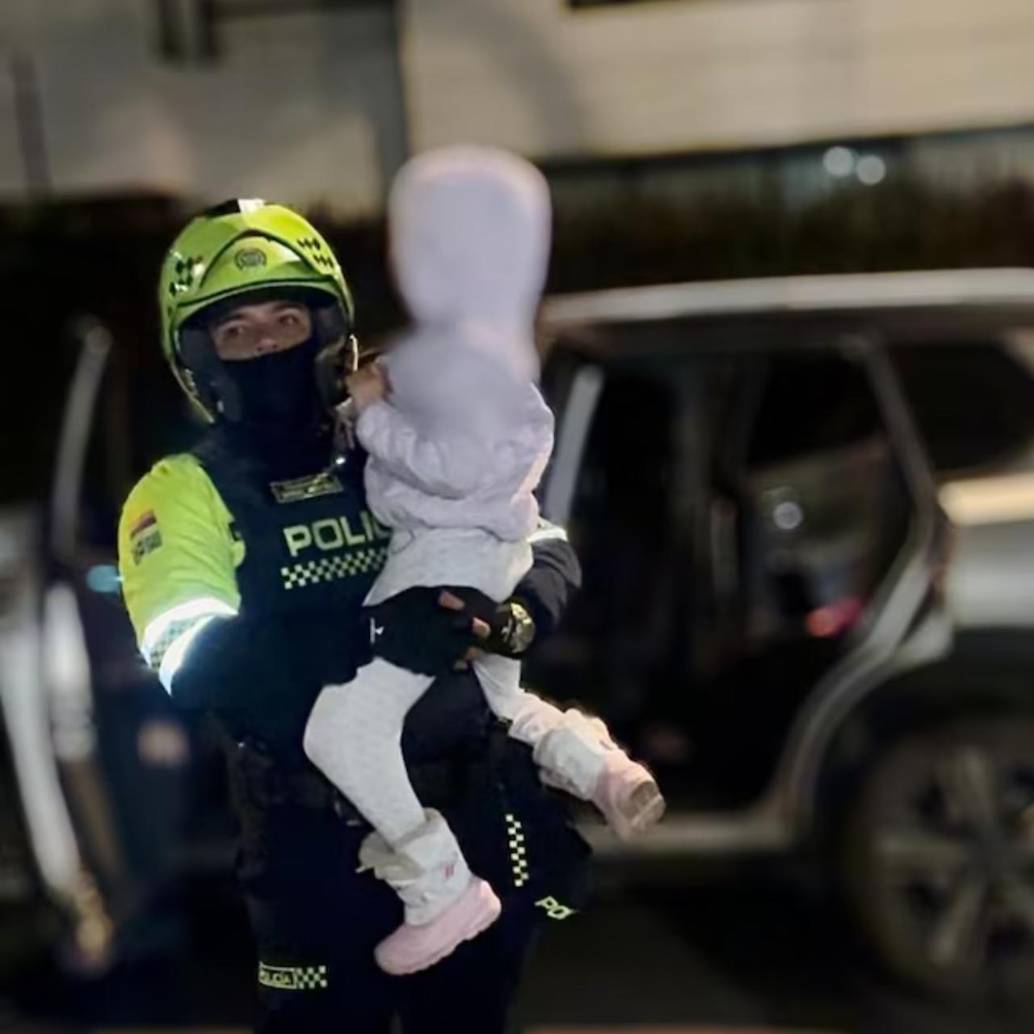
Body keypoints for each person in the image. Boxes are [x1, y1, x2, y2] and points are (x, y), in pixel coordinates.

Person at [117, 198, 590, 1034]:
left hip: (472, 811)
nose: (268, 344)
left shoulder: (393, 434)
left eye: (288, 317)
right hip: (315, 845)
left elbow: (540, 539)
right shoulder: (179, 492)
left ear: (331, 328)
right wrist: (374, 635)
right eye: (237, 331)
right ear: (199, 359)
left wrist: (512, 620)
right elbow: (193, 659)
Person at [302, 147, 665, 976]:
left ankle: (440, 889)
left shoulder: (461, 360)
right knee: (498, 704)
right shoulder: (501, 349)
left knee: (342, 730)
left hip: (442, 567)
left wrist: (370, 416)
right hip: (489, 554)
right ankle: (598, 767)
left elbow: (454, 468)